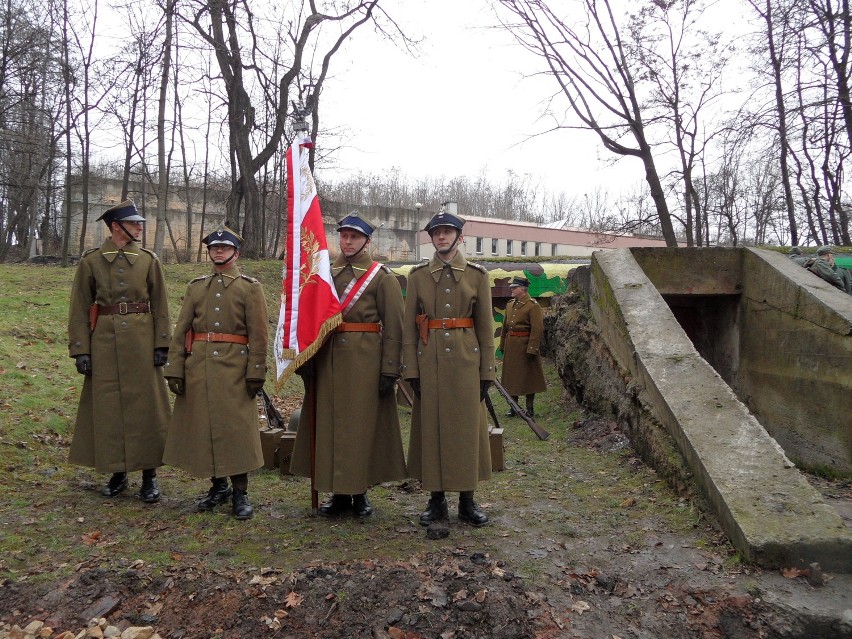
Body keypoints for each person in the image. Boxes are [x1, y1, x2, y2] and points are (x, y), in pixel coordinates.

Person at [290, 213, 407, 517]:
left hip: (365, 362)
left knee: (360, 428)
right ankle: (337, 492)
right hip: (327, 359)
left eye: (355, 237)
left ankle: (359, 492)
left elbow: (395, 327)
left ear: (368, 241)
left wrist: (390, 368)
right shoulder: (323, 273)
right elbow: (309, 316)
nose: (349, 241)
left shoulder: (381, 277)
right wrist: (306, 359)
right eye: (344, 236)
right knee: (329, 427)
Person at [67, 199, 171, 503]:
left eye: (140, 223)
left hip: (141, 341)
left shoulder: (149, 261)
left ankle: (150, 475)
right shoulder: (92, 262)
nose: (140, 227)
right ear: (116, 227)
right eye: (134, 223)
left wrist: (161, 343)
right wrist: (80, 350)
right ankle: (117, 473)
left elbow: (161, 306)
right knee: (109, 409)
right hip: (104, 344)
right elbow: (78, 308)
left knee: (148, 409)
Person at [163, 225, 269, 520]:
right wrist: (175, 368)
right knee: (205, 428)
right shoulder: (197, 287)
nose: (218, 252)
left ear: (237, 252)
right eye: (213, 248)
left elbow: (259, 334)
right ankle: (217, 486)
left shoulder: (250, 288)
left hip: (235, 369)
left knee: (236, 431)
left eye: (224, 248)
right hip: (199, 367)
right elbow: (182, 329)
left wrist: (256, 372)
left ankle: (240, 492)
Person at [401, 210, 496, 527]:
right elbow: (409, 330)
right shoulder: (417, 277)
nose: (441, 236)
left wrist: (487, 372)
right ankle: (436, 500)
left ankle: (467, 501)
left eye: (447, 231)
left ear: (459, 237)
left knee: (466, 430)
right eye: (436, 232)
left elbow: (486, 328)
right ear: (431, 238)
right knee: (432, 429)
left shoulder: (477, 276)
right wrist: (412, 371)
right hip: (429, 363)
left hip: (466, 364)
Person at [499, 276, 547, 418]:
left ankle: (529, 407)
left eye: (514, 287)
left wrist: (532, 348)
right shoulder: (510, 304)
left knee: (528, 377)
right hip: (511, 345)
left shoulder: (533, 306)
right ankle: (513, 407)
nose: (511, 289)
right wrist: (503, 345)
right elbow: (504, 327)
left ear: (523, 289)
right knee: (510, 377)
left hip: (525, 346)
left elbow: (537, 329)